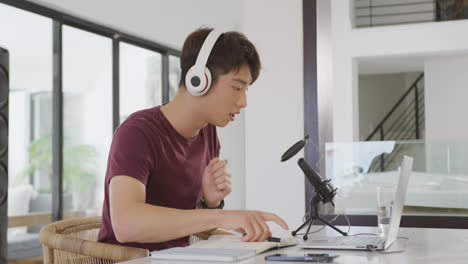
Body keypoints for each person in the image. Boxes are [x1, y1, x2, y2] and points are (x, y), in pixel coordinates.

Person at [97, 27, 289, 252]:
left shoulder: (208, 134)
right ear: (199, 80)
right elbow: (126, 224)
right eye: (237, 88)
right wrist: (218, 216)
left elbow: (192, 228)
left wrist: (210, 203)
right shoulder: (137, 132)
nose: (243, 102)